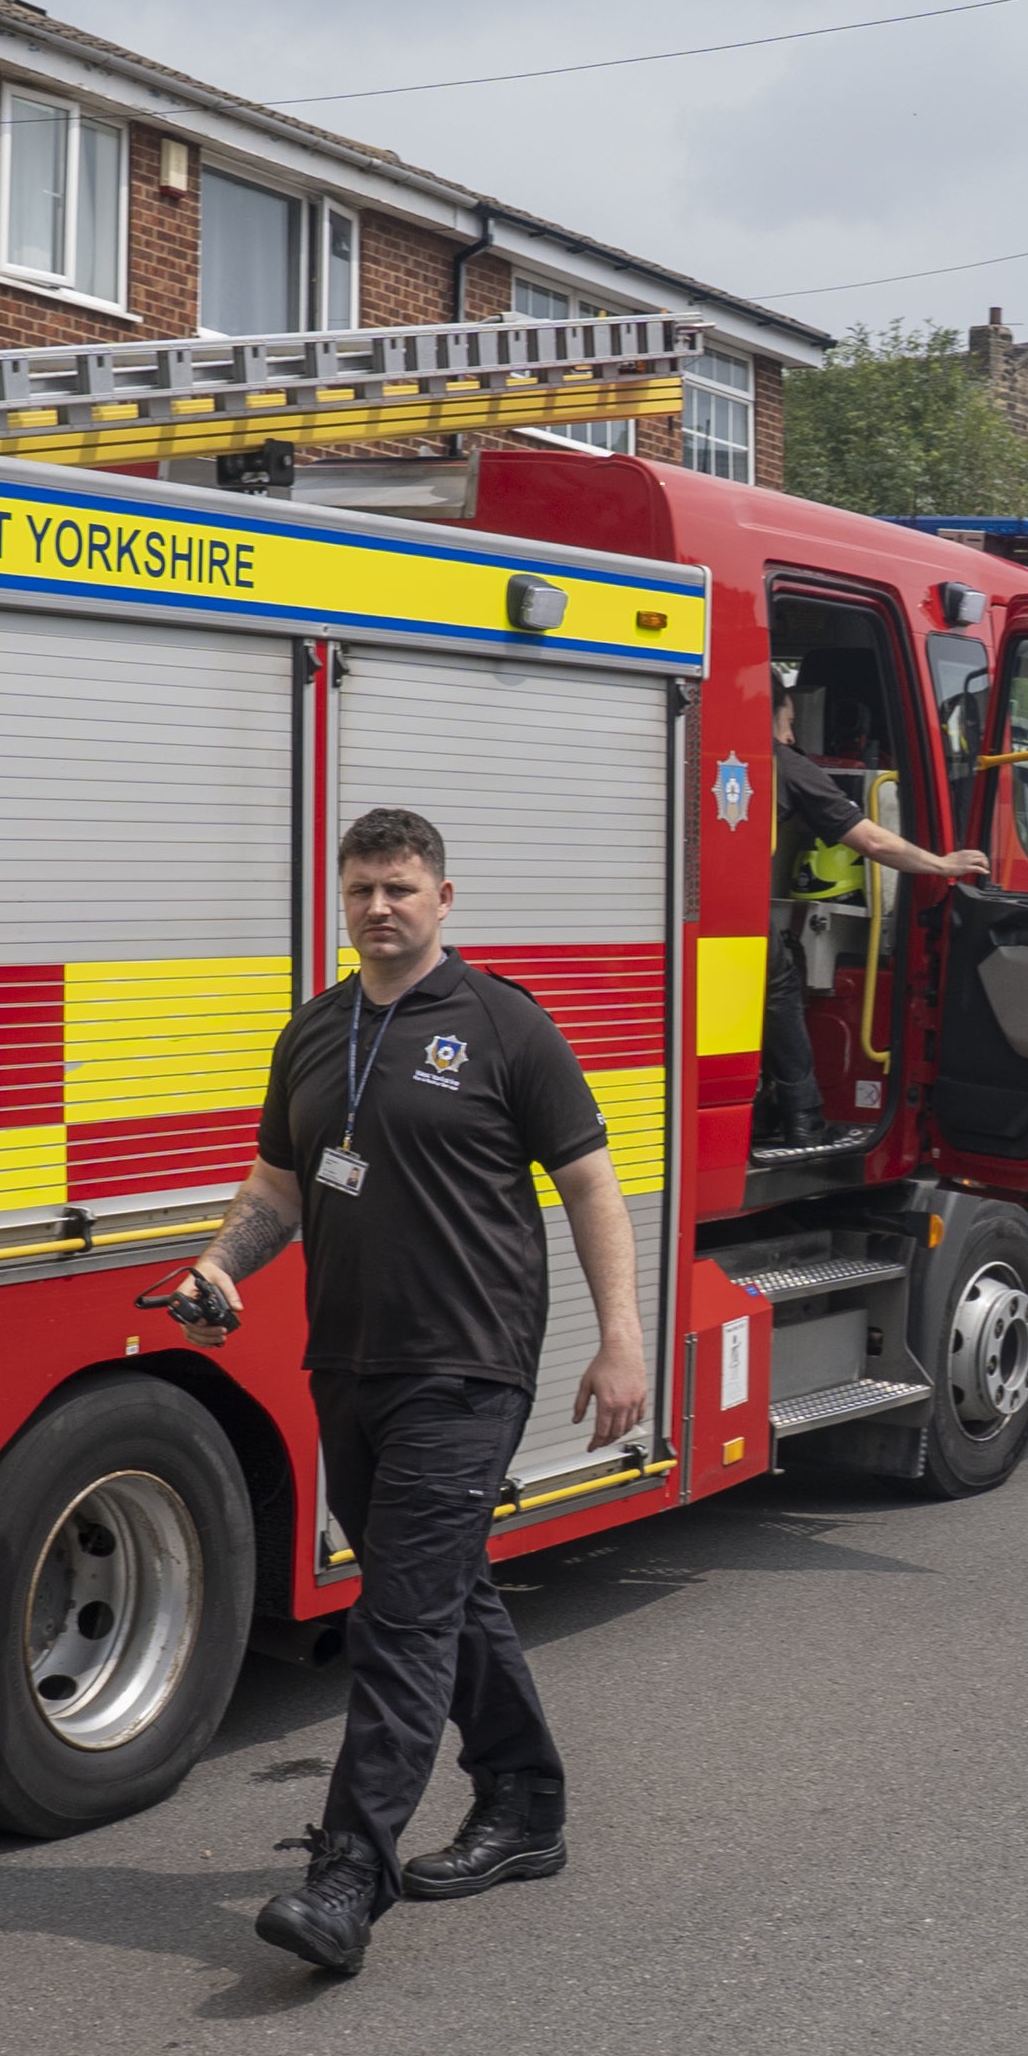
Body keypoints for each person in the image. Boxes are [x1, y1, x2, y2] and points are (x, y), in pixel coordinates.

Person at [180, 806, 651, 1977]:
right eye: (360, 891)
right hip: (346, 1363)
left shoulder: (503, 1025)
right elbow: (277, 1192)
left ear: (444, 899)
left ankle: (348, 1876)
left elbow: (591, 1188)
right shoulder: (314, 1034)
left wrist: (621, 1339)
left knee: (396, 1617)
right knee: (439, 1588)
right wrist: (218, 1267)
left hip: (468, 1363)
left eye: (399, 887)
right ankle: (525, 1804)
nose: (379, 908)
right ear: (340, 906)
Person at [759, 670, 989, 1148]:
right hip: (730, 917)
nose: (793, 735)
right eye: (789, 720)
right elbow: (872, 839)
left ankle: (761, 1104)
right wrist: (941, 864)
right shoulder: (782, 762)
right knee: (777, 990)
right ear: (771, 713)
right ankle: (802, 1115)